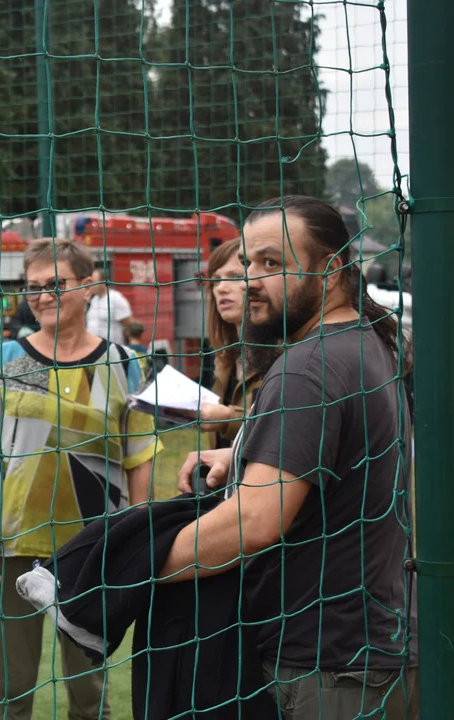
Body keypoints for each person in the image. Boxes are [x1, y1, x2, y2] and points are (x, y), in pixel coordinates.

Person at [164, 196, 417, 719]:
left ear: (329, 270)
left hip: (330, 667)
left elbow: (254, 522)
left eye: (272, 263)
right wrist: (247, 454)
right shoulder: (366, 342)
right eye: (248, 262)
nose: (250, 278)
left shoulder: (308, 367)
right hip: (372, 650)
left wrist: (130, 566)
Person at [0, 239, 161, 720]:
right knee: (11, 696)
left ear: (89, 286)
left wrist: (134, 547)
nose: (43, 296)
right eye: (33, 287)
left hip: (95, 552)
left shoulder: (126, 363)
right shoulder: (4, 360)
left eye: (56, 284)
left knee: (90, 699)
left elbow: (140, 461)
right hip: (13, 549)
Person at [195, 239, 267, 448]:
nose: (221, 288)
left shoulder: (285, 353)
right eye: (216, 280)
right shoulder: (224, 357)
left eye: (235, 277)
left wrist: (228, 416)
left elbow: (285, 427)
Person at [84, 268, 133, 345]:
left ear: (103, 282)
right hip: (94, 350)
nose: (91, 286)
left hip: (112, 350)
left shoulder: (116, 298)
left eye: (94, 282)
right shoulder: (94, 300)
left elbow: (129, 325)